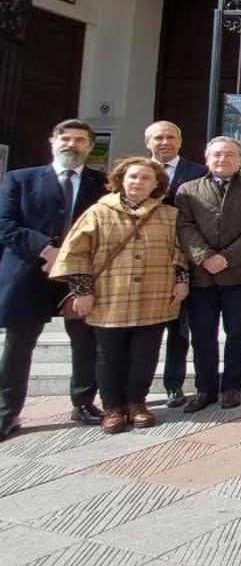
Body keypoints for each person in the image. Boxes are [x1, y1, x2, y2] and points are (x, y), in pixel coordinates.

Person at [50, 157, 187, 433]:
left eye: (146, 178)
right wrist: (83, 290)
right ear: (121, 180)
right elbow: (76, 253)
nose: (139, 182)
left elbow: (179, 252)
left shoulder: (168, 214)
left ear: (157, 184)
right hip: (109, 296)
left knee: (145, 354)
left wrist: (182, 280)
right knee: (108, 355)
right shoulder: (99, 212)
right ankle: (113, 407)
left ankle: (137, 403)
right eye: (133, 177)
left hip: (154, 294)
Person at [0, 119, 107, 439]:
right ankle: (8, 412)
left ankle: (84, 402)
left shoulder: (100, 184)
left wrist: (72, 260)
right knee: (19, 345)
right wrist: (46, 251)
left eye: (79, 140)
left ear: (89, 146)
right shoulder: (20, 179)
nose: (71, 145)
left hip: (79, 277)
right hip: (28, 273)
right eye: (65, 139)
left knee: (86, 342)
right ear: (53, 142)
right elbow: (5, 223)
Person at [175, 137, 241, 412]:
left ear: (240, 160)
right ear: (207, 158)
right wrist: (206, 258)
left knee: (237, 333)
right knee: (202, 334)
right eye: (217, 155)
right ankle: (205, 389)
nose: (223, 160)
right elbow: (184, 226)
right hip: (201, 276)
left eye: (230, 155)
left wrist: (226, 258)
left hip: (239, 275)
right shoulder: (188, 190)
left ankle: (232, 387)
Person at [145, 120, 206, 409]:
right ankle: (134, 389)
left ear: (180, 142)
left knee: (179, 330)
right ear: (148, 142)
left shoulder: (197, 173)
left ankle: (174, 384)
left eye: (171, 137)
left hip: (187, 261)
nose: (165, 142)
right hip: (144, 264)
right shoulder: (135, 173)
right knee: (142, 330)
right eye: (158, 137)